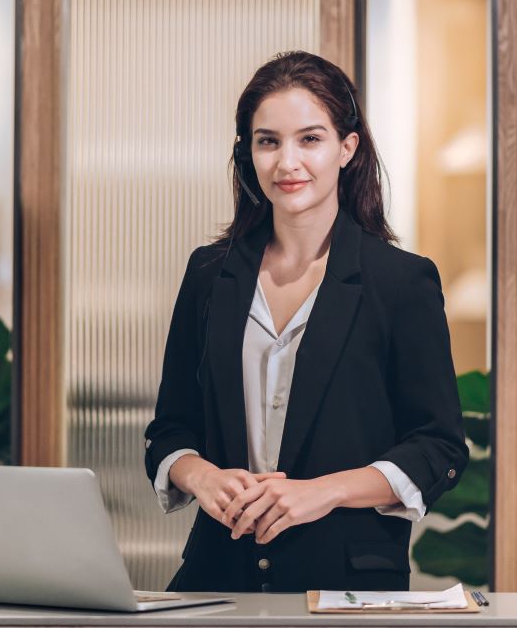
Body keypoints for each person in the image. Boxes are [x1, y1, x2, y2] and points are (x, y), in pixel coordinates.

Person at [143, 51, 468, 593]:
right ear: (248, 153)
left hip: (346, 585)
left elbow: (439, 447)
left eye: (310, 139)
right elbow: (170, 429)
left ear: (348, 148)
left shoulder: (400, 282)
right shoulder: (208, 274)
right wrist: (201, 476)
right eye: (267, 141)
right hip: (216, 581)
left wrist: (326, 491)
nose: (286, 162)